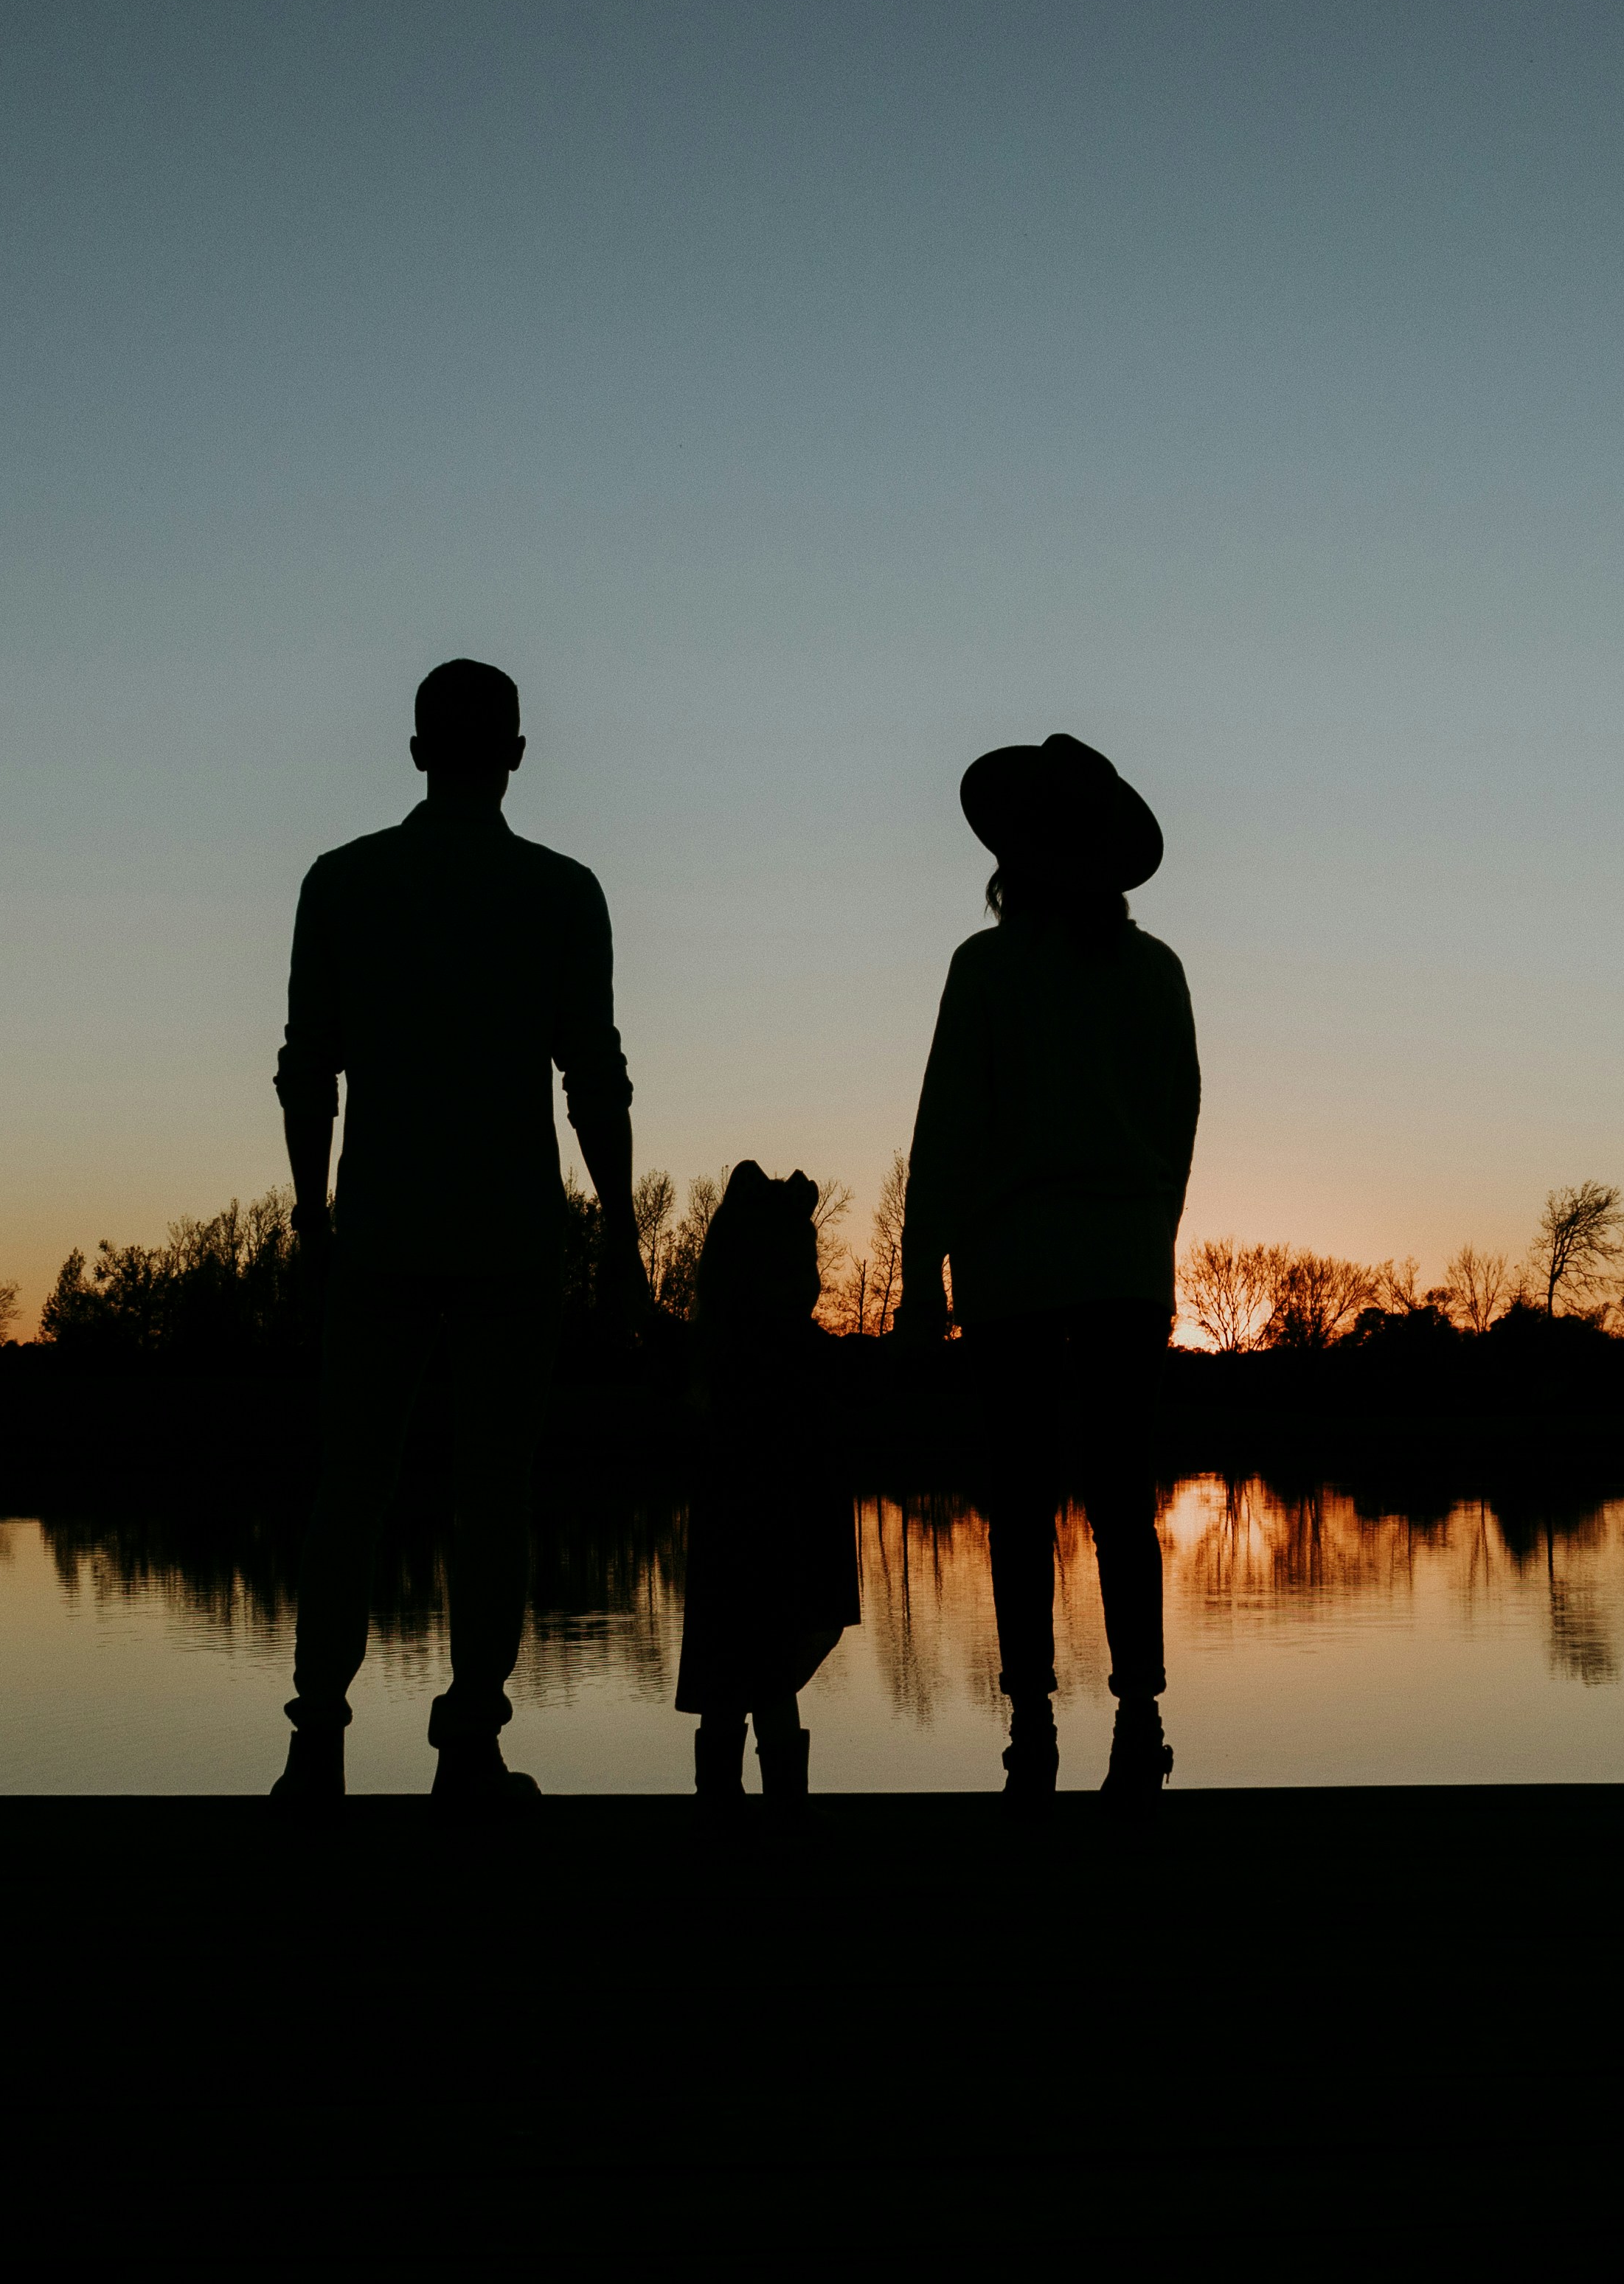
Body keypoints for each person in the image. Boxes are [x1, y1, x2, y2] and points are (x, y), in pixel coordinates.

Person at [272, 659, 641, 1799]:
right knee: (495, 1497)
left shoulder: (342, 883)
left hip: (379, 1227)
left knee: (350, 1489)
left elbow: (305, 1075)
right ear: (517, 755)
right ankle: (471, 1738)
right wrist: (621, 1235)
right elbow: (595, 1082)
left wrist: (312, 1217)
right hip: (510, 1235)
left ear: (419, 750)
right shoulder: (560, 892)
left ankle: (317, 1738)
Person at [892, 735, 1201, 1793]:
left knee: (1018, 1498)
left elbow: (947, 1126)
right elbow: (1177, 1126)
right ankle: (1140, 1708)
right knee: (1123, 1494)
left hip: (1010, 1260)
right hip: (1120, 1257)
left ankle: (1030, 1718)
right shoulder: (1154, 971)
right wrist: (1148, 1239)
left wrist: (917, 1268)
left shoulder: (985, 968)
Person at [675, 1162, 860, 1813]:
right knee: (771, 1685)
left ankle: (722, 1810)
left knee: (732, 1690)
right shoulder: (793, 1360)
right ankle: (781, 1812)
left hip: (738, 1558)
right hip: (778, 1556)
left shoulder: (715, 1360)